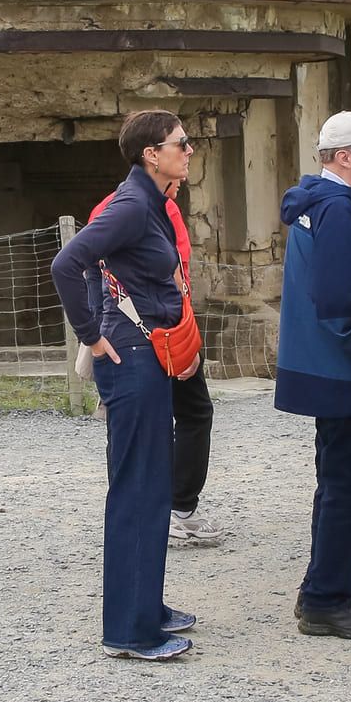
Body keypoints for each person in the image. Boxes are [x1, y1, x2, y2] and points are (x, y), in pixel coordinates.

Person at [49, 110, 208, 661]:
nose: (189, 150)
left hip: (149, 354)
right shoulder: (132, 205)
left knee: (152, 485)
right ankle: (130, 630)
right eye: (181, 143)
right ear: (151, 153)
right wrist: (92, 337)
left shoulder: (154, 202)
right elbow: (67, 263)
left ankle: (148, 607)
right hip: (131, 356)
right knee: (138, 490)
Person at [275, 110, 351, 642]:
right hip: (346, 373)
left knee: (340, 485)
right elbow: (342, 305)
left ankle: (326, 590)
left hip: (329, 369)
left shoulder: (323, 203)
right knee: (348, 485)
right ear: (343, 157)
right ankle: (325, 599)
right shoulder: (337, 211)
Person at [86, 177, 218, 549]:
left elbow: (90, 273)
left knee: (129, 429)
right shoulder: (159, 209)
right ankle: (176, 509)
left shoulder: (109, 206)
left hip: (123, 335)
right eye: (179, 149)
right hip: (158, 335)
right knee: (190, 414)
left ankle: (134, 515)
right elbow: (177, 279)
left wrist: (97, 331)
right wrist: (188, 338)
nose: (185, 174)